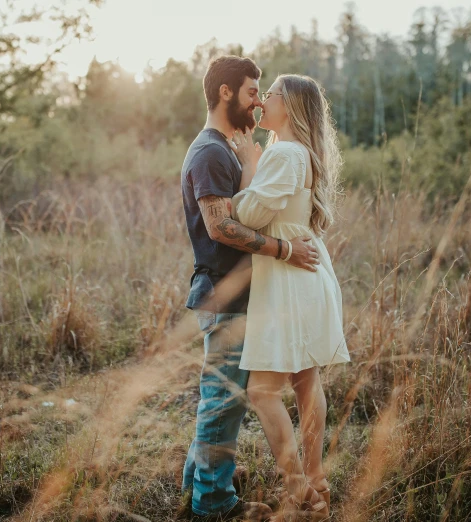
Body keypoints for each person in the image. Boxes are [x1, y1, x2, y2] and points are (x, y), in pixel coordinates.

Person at [180, 56, 320, 521]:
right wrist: (284, 249)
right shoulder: (210, 153)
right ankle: (213, 505)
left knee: (219, 397)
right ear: (225, 93)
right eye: (251, 92)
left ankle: (194, 486)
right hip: (226, 294)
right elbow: (220, 227)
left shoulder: (226, 150)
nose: (258, 101)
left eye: (262, 93)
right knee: (224, 401)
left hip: (237, 294)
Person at [227, 74, 351, 520]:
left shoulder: (282, 153)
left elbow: (249, 213)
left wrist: (247, 166)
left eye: (271, 94)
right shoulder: (307, 155)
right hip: (309, 275)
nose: (262, 100)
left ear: (290, 105)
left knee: (262, 392)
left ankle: (299, 489)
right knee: (306, 381)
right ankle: (318, 483)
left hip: (287, 280)